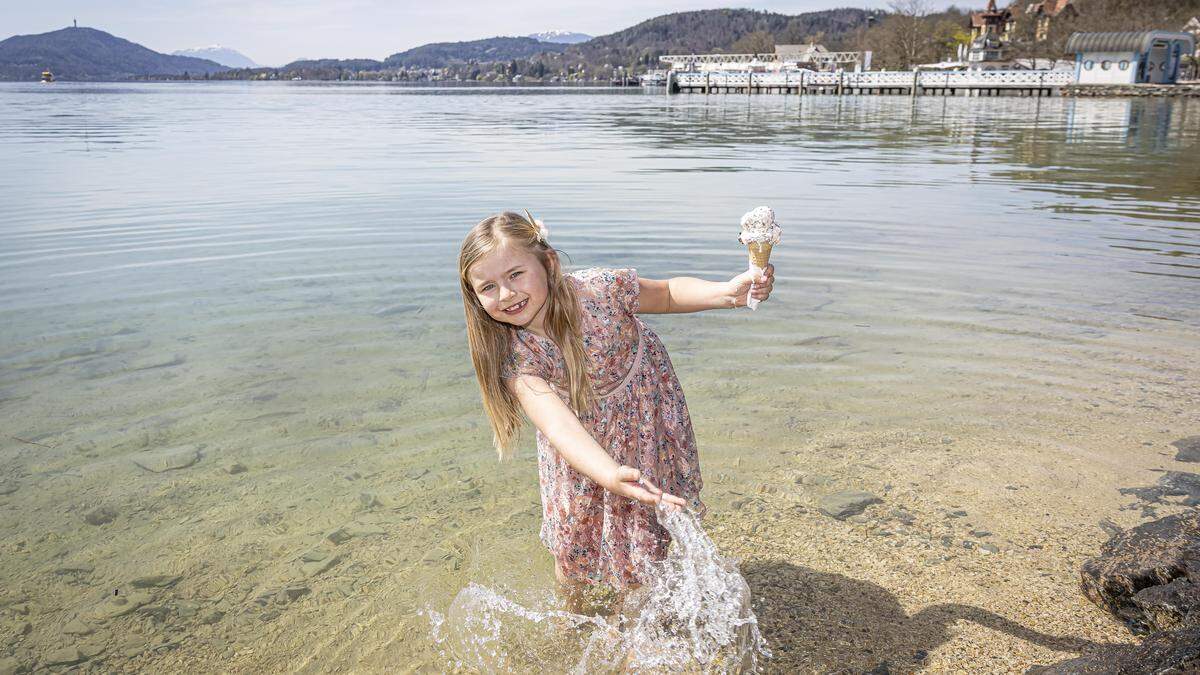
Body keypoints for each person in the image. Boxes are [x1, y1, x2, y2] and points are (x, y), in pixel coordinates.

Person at [457, 211, 775, 608]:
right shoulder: (514, 356)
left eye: (516, 275)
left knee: (645, 535)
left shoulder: (600, 290)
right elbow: (557, 424)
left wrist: (728, 293)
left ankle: (633, 619)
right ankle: (569, 614)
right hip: (581, 444)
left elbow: (668, 294)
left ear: (548, 263)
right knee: (572, 540)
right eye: (488, 286)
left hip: (644, 417)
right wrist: (607, 472)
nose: (506, 294)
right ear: (475, 296)